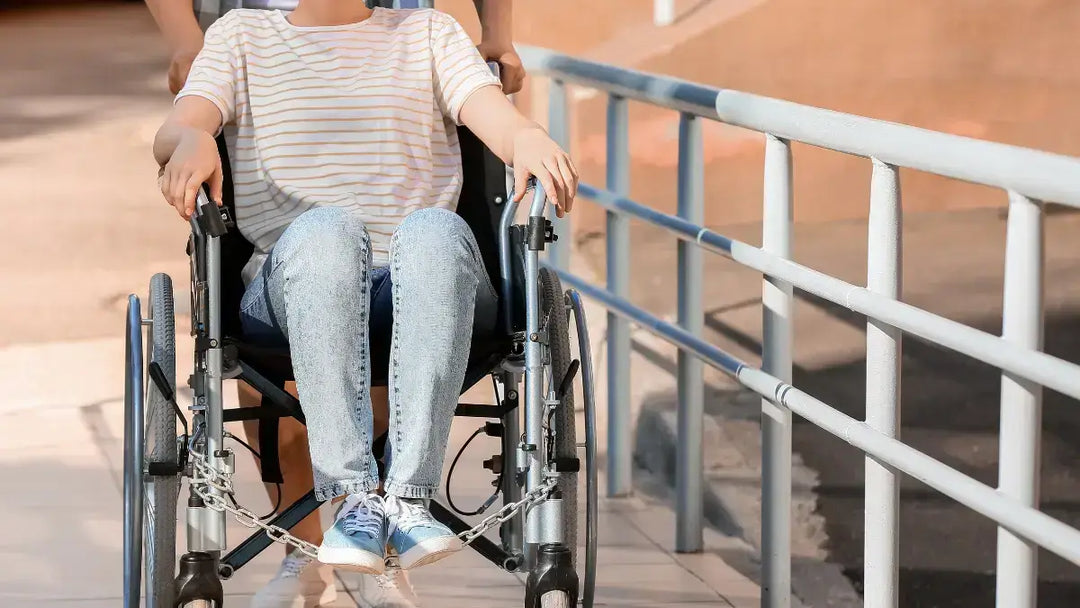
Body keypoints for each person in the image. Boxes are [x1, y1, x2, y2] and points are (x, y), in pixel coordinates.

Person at [151, 1, 576, 607]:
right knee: (328, 231)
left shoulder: (428, 33)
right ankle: (351, 499)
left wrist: (528, 137)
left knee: (434, 228)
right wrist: (192, 135)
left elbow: (496, 118)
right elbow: (176, 124)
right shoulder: (240, 36)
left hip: (420, 280)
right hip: (292, 282)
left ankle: (405, 499)